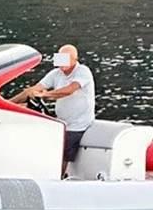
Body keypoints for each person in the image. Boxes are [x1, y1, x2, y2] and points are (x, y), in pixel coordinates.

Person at [12, 44, 95, 175]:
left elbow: (69, 90)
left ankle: (59, 177)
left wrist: (46, 94)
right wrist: (9, 102)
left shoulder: (83, 71)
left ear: (75, 59)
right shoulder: (55, 74)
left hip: (78, 123)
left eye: (66, 58)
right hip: (62, 121)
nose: (62, 62)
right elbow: (34, 89)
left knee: (63, 153)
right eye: (60, 58)